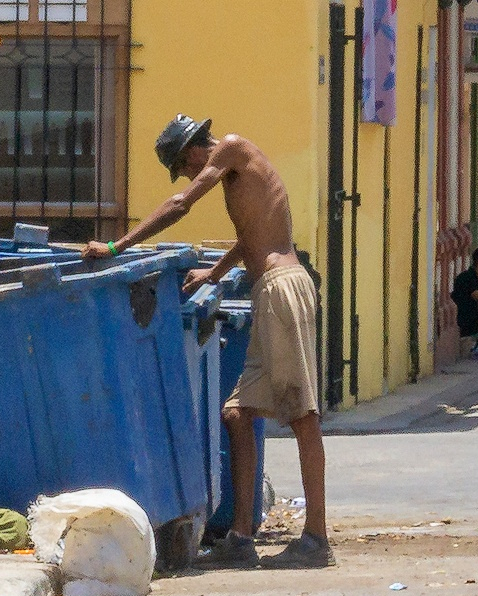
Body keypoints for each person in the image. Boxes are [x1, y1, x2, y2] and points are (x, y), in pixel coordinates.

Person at [81, 114, 332, 569]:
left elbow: (180, 205)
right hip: (268, 289)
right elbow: (251, 235)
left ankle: (316, 537)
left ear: (194, 149)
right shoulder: (245, 172)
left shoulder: (232, 147)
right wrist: (214, 274)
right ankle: (240, 537)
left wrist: (117, 248)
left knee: (302, 416)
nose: (191, 175)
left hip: (281, 288)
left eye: (185, 166)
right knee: (236, 415)